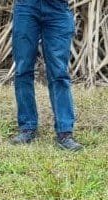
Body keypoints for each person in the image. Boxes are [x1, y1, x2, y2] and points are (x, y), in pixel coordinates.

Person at [10, 0, 83, 151]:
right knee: (23, 70)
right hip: (26, 6)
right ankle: (27, 128)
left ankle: (65, 132)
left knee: (59, 73)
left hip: (58, 8)